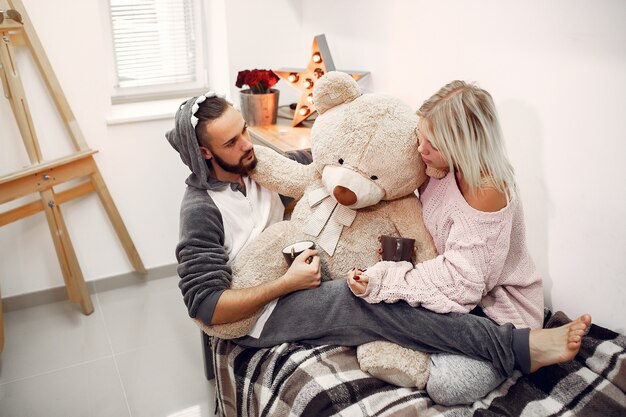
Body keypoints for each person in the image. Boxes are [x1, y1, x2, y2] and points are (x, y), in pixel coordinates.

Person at [166, 91, 591, 402]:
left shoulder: (255, 166)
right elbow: (205, 306)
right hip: (260, 312)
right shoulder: (202, 208)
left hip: (297, 269)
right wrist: (287, 284)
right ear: (203, 153)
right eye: (232, 142)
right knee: (364, 301)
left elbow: (332, 164)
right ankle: (515, 346)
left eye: (244, 131)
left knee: (378, 293)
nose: (248, 146)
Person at [347, 80, 591, 405]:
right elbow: (430, 230)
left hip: (495, 310)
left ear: (462, 144)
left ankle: (521, 345)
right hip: (454, 289)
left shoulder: (488, 188)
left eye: (430, 143)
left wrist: (387, 280)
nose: (420, 150)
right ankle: (426, 345)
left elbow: (464, 285)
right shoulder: (439, 168)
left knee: (451, 385)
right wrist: (402, 255)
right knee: (370, 303)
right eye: (420, 137)